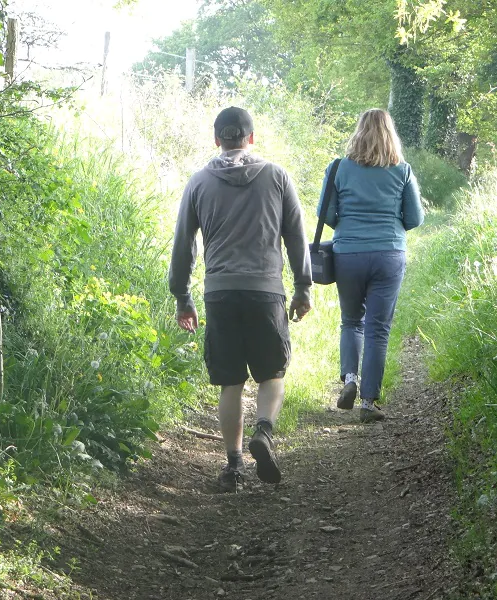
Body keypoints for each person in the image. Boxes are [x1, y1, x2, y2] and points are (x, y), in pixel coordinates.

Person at [169, 106, 312, 492]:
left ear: (217, 139)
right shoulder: (277, 177)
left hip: (220, 293)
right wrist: (303, 287)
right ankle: (263, 432)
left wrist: (182, 295)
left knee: (230, 383)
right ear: (251, 137)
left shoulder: (199, 182)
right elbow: (296, 236)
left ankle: (233, 468)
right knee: (272, 373)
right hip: (266, 290)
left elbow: (184, 245)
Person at [316, 108, 424, 423]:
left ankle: (349, 378)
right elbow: (414, 219)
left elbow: (328, 216)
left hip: (348, 253)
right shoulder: (402, 171)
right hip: (389, 254)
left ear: (358, 132)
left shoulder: (338, 168)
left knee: (351, 321)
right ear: (391, 135)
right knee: (378, 328)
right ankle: (368, 402)